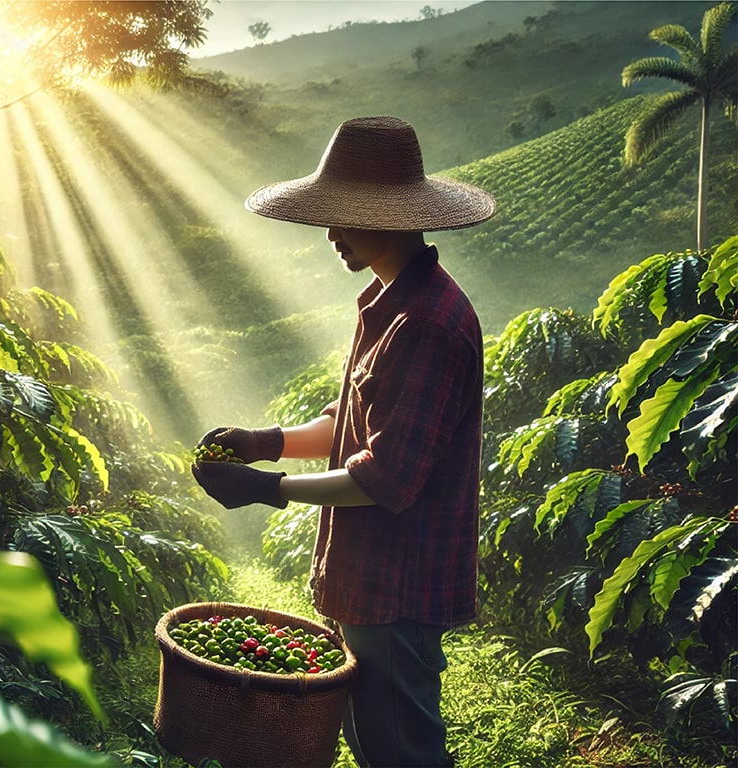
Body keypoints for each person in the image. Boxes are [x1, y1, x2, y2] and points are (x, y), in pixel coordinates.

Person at [190, 115, 495, 768]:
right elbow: (349, 425)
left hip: (397, 587)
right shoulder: (386, 303)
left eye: (342, 215)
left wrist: (268, 491)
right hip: (367, 580)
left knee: (400, 752)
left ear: (391, 215)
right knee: (370, 741)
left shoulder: (426, 325)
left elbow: (383, 476)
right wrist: (264, 441)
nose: (329, 233)